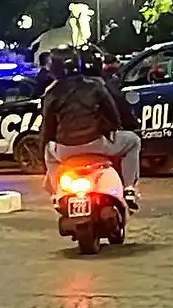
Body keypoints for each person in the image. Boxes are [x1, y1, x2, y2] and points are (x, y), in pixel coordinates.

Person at [41, 45, 142, 209]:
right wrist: (113, 131)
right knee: (133, 141)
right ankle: (129, 188)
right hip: (96, 143)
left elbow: (47, 129)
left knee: (48, 151)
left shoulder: (51, 93)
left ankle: (56, 195)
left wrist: (45, 152)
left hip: (65, 149)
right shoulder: (94, 85)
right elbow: (113, 115)